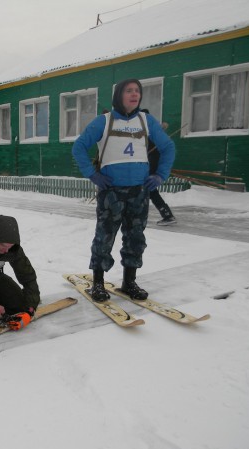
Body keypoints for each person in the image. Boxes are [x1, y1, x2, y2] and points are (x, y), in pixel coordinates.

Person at [72, 78, 175, 302]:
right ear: (119, 94)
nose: (134, 94)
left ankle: (129, 282)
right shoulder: (104, 121)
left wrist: (160, 175)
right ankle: (98, 284)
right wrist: (92, 174)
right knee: (104, 237)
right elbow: (78, 146)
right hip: (112, 192)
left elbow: (168, 147)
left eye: (137, 91)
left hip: (139, 191)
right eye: (129, 90)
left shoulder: (145, 121)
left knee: (135, 237)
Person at [142, 109, 177, 226]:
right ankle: (166, 213)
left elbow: (165, 146)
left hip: (152, 161)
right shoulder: (152, 129)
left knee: (148, 188)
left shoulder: (148, 131)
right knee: (149, 189)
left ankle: (166, 214)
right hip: (151, 160)